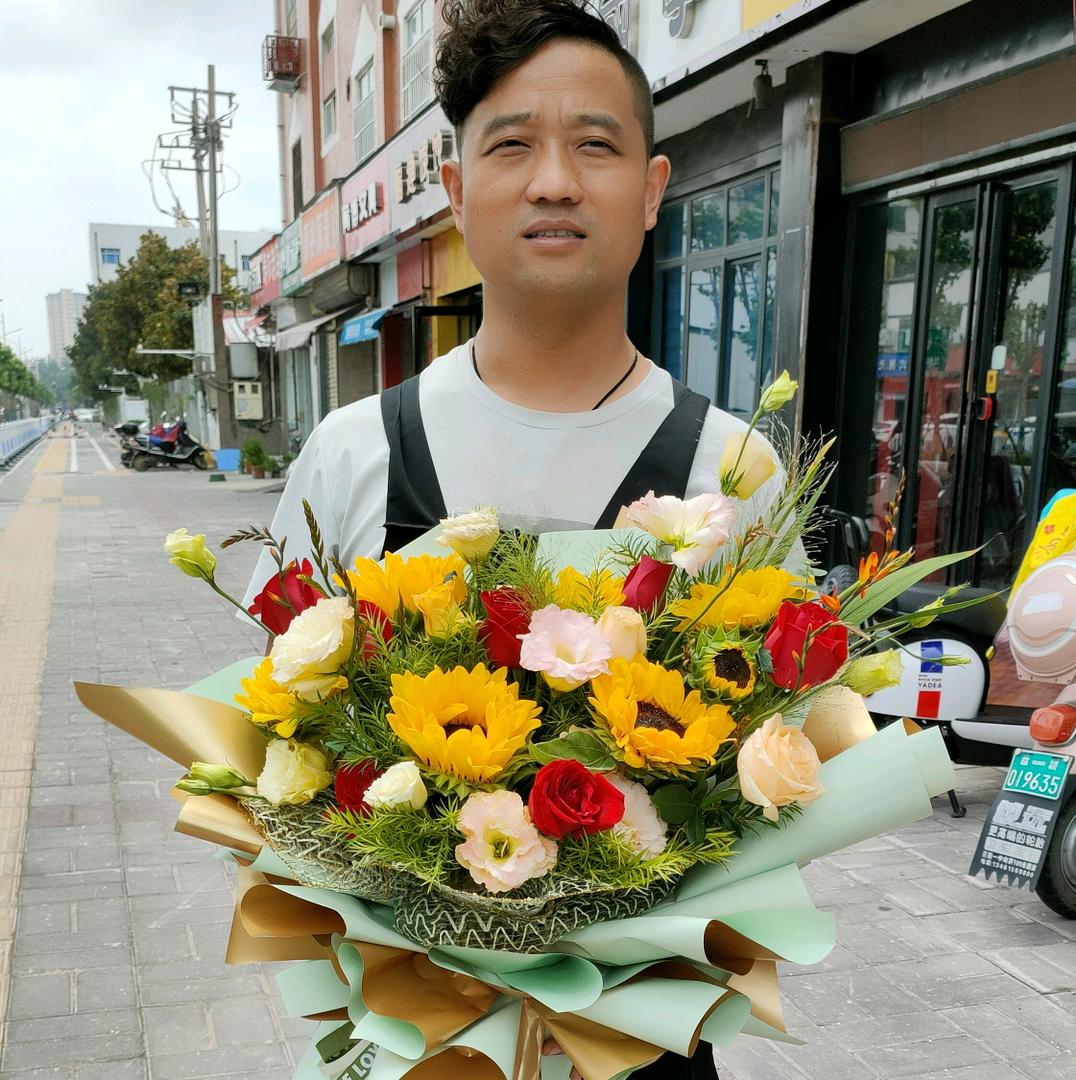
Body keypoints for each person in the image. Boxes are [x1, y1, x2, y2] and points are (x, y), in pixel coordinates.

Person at [245, 3, 787, 1075]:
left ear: (652, 188)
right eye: (511, 146)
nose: (553, 180)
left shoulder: (734, 474)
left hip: (646, 1039)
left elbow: (785, 777)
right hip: (413, 1035)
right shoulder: (357, 453)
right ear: (456, 194)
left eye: (595, 144)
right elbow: (274, 756)